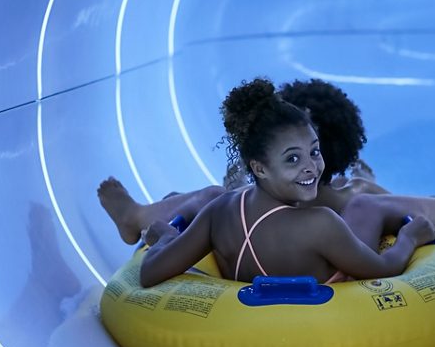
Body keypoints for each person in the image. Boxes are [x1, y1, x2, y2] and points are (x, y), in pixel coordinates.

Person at [128, 78, 435, 288]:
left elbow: (149, 273)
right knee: (364, 204)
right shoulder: (321, 223)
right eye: (293, 159)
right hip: (331, 304)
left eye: (314, 152)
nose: (311, 168)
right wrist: (409, 239)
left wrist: (168, 239)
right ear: (259, 168)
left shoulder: (217, 212)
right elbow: (384, 269)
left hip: (246, 276)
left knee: (352, 194)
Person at [99, 79, 385, 246]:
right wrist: (369, 186)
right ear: (346, 145)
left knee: (213, 196)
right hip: (327, 223)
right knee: (354, 190)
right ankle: (161, 209)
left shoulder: (252, 199)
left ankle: (135, 217)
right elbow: (391, 205)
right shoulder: (355, 195)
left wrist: (235, 190)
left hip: (250, 247)